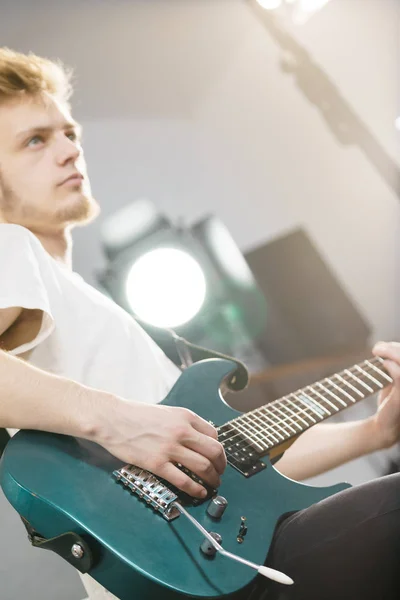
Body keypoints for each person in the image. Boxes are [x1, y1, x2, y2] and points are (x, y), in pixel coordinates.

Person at [0, 47, 399, 600]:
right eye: (35, 140)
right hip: (196, 571)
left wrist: (373, 433)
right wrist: (117, 422)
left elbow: (228, 469)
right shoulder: (10, 246)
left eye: (69, 132)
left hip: (222, 561)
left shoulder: (82, 302)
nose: (69, 149)